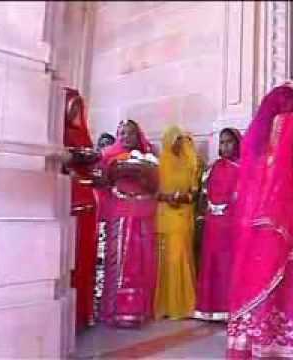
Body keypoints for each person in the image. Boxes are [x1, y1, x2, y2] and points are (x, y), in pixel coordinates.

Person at [227, 84, 293, 358]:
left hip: (253, 221)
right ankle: (276, 345)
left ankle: (249, 343)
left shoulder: (253, 136)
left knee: (255, 277)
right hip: (279, 217)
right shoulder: (286, 122)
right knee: (280, 278)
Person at [94, 119, 159, 328]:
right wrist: (113, 171)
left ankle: (137, 312)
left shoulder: (149, 157)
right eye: (121, 133)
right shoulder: (109, 156)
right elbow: (101, 182)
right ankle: (114, 312)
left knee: (140, 262)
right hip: (119, 215)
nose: (125, 137)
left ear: (137, 135)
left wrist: (142, 172)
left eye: (129, 133)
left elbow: (155, 186)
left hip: (142, 215)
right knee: (118, 262)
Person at [194, 128, 242, 322]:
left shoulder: (242, 167)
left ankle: (228, 309)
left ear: (238, 143)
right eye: (222, 142)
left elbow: (243, 196)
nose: (225, 146)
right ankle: (209, 308)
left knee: (227, 264)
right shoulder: (213, 167)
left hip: (231, 223)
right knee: (211, 263)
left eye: (229, 142)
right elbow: (204, 194)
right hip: (213, 223)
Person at [62, 88, 99, 332]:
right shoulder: (59, 135)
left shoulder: (82, 135)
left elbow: (92, 168)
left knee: (85, 257)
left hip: (87, 204)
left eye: (79, 106)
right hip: (69, 202)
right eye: (72, 106)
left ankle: (83, 313)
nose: (76, 111)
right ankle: (68, 318)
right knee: (69, 258)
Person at [154, 126, 201, 320]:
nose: (176, 144)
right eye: (173, 140)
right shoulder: (159, 164)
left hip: (182, 215)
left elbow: (194, 193)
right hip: (164, 215)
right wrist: (166, 197)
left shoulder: (190, 163)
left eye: (179, 140)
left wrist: (181, 197)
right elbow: (152, 192)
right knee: (165, 260)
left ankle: (183, 305)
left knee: (180, 256)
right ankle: (165, 305)